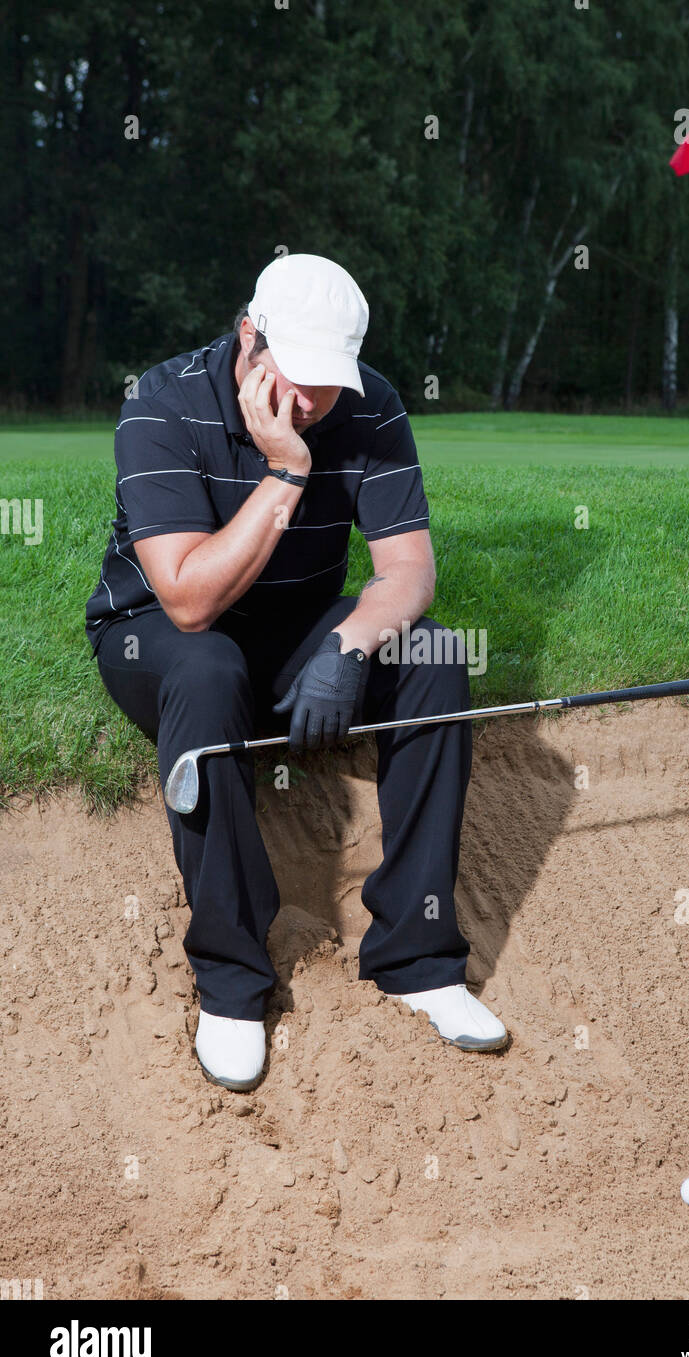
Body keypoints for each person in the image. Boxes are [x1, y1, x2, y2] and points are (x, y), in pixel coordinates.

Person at [85, 253, 507, 1090]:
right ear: (250, 337)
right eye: (300, 377)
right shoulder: (162, 404)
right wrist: (287, 470)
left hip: (292, 626)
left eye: (329, 383)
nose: (313, 403)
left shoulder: (370, 404)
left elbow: (409, 574)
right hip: (158, 635)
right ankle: (233, 982)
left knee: (435, 654)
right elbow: (189, 601)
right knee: (208, 669)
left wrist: (347, 650)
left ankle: (419, 959)